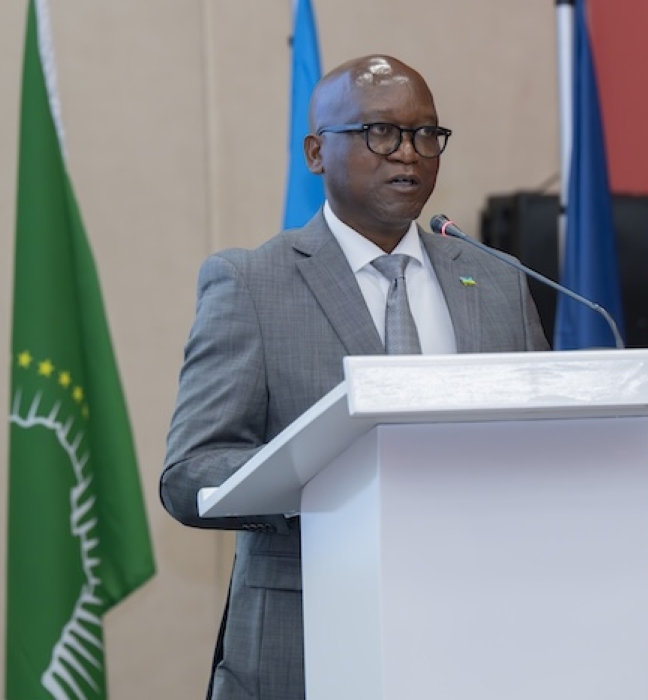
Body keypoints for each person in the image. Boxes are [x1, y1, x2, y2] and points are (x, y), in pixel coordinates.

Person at [160, 54, 549, 700]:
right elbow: (188, 472)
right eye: (380, 133)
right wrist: (326, 481)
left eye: (427, 135)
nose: (408, 154)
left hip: (474, 640)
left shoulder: (498, 281)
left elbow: (543, 439)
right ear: (316, 153)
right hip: (305, 645)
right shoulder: (253, 285)